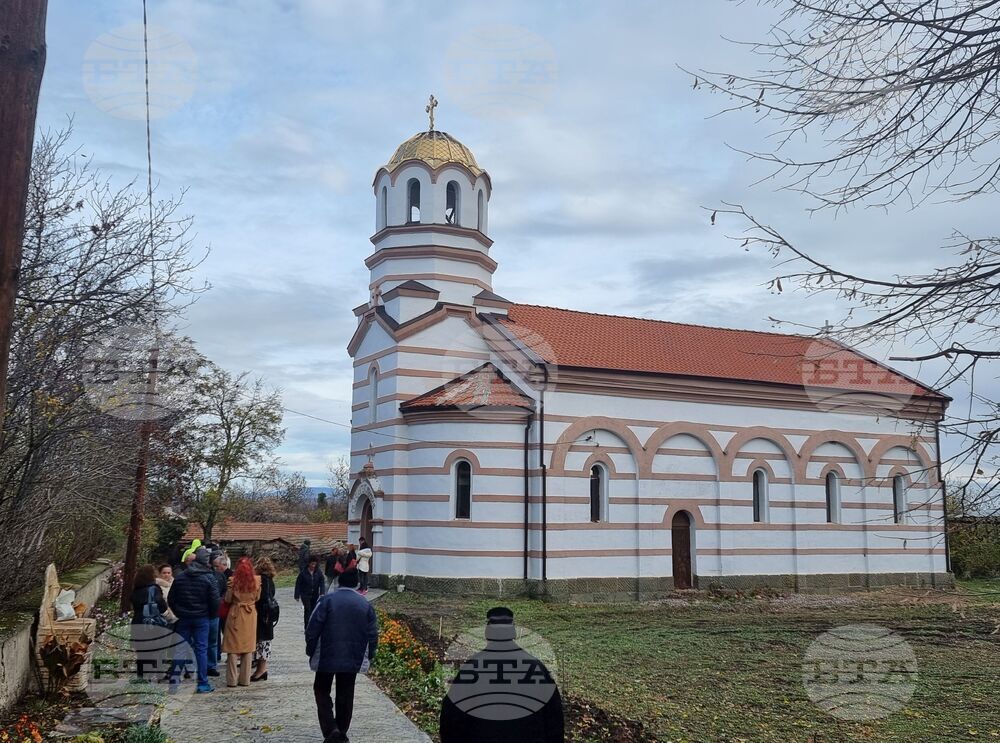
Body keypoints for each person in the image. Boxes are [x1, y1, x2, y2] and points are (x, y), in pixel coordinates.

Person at [440, 607, 564, 743]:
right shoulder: (537, 668)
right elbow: (554, 721)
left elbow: (451, 720)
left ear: (487, 634)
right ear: (513, 633)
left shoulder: (471, 669)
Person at [306, 569, 377, 743]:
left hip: (326, 655)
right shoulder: (365, 605)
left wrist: (310, 648)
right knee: (346, 693)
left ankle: (331, 729)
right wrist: (371, 653)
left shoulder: (326, 601)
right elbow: (373, 634)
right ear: (357, 585)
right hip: (353, 656)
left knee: (321, 690)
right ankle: (341, 731)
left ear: (339, 583)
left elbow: (312, 627)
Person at [167, 546, 220, 693]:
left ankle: (174, 683)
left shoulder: (181, 577)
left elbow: (172, 599)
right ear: (207, 562)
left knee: (180, 650)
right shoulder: (209, 578)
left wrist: (179, 612)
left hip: (183, 617)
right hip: (201, 618)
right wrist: (210, 614)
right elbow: (215, 601)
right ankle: (202, 683)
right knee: (201, 650)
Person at [222, 556, 261, 687]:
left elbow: (227, 599)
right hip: (250, 614)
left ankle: (232, 680)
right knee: (248, 647)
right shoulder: (257, 580)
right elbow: (257, 597)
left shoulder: (232, 581)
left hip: (236, 614)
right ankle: (245, 679)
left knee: (232, 648)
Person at [129, 564, 168, 680]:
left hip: (138, 623)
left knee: (141, 652)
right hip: (152, 624)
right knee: (157, 649)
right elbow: (162, 607)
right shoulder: (154, 589)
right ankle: (157, 673)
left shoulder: (136, 590)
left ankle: (141, 676)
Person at [252, 556, 277, 682]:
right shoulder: (270, 580)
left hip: (262, 616)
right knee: (264, 642)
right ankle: (261, 669)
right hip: (268, 615)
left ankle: (261, 670)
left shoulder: (262, 580)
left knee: (262, 642)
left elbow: (261, 598)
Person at [207, 553, 229, 677]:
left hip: (217, 610)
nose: (216, 568)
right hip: (206, 612)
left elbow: (225, 590)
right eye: (214, 566)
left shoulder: (220, 576)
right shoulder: (206, 576)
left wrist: (221, 600)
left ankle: (213, 661)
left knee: (214, 639)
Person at [295, 555, 326, 629]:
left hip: (315, 594)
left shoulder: (318, 572)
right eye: (312, 564)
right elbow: (298, 584)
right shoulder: (303, 573)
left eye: (315, 564)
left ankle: (313, 626)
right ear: (309, 563)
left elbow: (322, 582)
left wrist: (322, 592)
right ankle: (307, 627)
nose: (313, 566)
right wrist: (297, 595)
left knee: (313, 610)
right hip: (305, 594)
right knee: (307, 610)